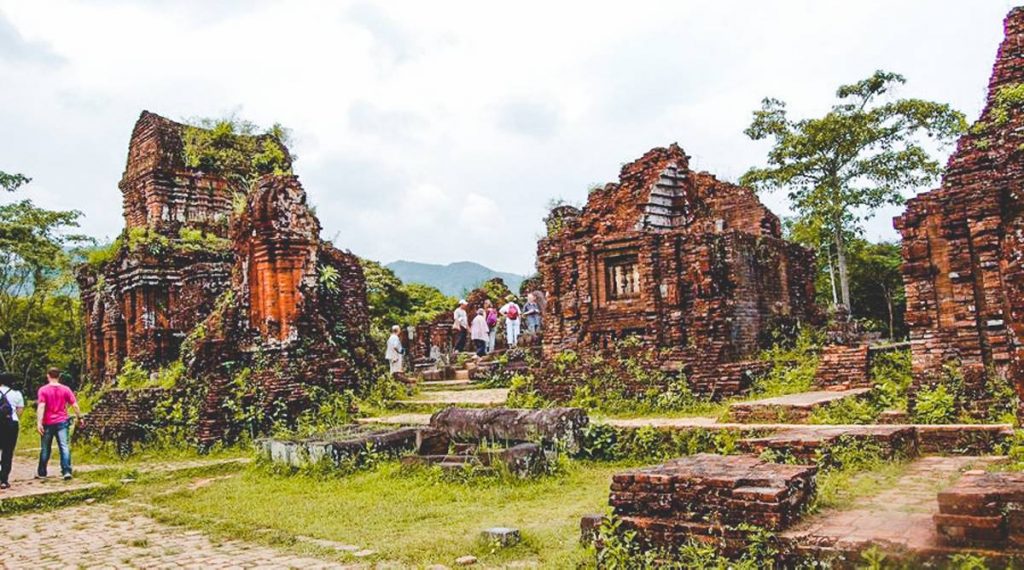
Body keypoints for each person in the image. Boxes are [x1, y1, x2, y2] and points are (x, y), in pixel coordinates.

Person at [36, 368, 81, 481]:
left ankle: (42, 472)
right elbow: (75, 404)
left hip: (47, 422)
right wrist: (79, 417)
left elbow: (41, 406)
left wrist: (39, 422)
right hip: (62, 421)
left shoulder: (43, 390)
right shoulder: (66, 389)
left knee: (45, 448)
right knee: (64, 446)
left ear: (48, 376)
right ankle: (66, 471)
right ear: (59, 376)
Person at [0, 373, 24, 489]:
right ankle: (4, 480)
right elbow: (19, 411)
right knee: (8, 452)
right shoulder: (17, 394)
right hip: (11, 424)